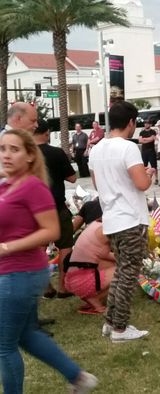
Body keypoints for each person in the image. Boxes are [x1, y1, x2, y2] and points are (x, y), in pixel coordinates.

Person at [0, 129, 98, 393]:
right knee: (27, 335)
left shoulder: (33, 186)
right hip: (16, 273)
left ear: (30, 156)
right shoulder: (7, 185)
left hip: (18, 274)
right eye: (2, 149)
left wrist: (8, 247)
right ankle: (77, 377)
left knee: (4, 346)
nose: (6, 155)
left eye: (14, 149)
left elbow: (51, 231)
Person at [88, 100, 154, 343]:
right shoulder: (128, 148)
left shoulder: (96, 149)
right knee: (128, 275)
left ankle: (110, 322)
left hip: (112, 219)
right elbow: (141, 184)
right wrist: (148, 175)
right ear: (131, 123)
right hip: (131, 219)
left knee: (121, 273)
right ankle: (120, 328)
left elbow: (97, 184)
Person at [33, 119, 77, 298]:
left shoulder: (26, 154)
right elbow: (73, 178)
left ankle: (45, 288)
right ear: (46, 133)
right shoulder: (56, 153)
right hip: (56, 206)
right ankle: (63, 287)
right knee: (65, 246)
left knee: (38, 250)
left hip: (34, 210)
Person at [64, 219, 115, 315]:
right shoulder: (105, 230)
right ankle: (94, 299)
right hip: (82, 281)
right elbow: (121, 256)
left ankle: (90, 299)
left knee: (115, 264)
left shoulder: (95, 225)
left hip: (73, 279)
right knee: (127, 271)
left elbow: (103, 255)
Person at [138, 119, 158, 185]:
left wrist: (145, 139)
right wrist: (148, 139)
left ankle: (156, 179)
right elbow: (140, 141)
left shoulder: (153, 131)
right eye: (145, 123)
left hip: (151, 150)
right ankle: (145, 178)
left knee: (154, 165)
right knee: (144, 166)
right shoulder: (142, 132)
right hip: (144, 151)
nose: (146, 124)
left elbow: (152, 139)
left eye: (147, 123)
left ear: (150, 124)